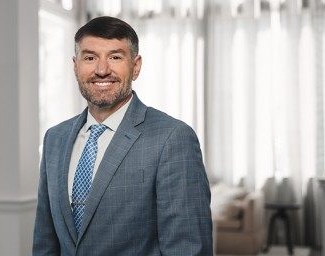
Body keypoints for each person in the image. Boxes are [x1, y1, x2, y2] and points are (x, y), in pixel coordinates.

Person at [33, 16, 213, 255]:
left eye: (115, 57)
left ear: (136, 66)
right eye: (90, 58)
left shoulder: (172, 138)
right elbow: (45, 243)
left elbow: (188, 248)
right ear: (75, 66)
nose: (101, 70)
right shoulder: (54, 139)